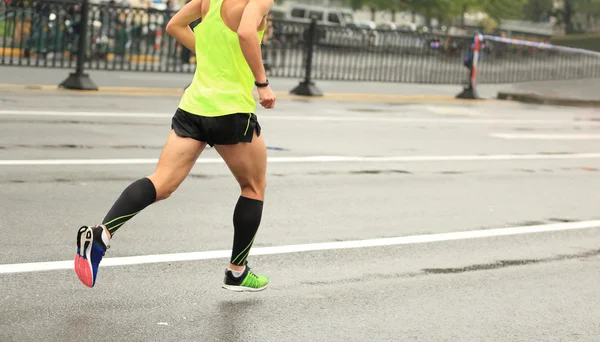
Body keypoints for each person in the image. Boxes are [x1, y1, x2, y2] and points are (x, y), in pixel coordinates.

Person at [74, 0, 276, 292]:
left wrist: (212, 56)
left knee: (161, 182)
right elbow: (246, 33)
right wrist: (262, 83)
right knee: (254, 187)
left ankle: (102, 234)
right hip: (230, 110)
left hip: (193, 106)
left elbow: (174, 26)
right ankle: (236, 272)